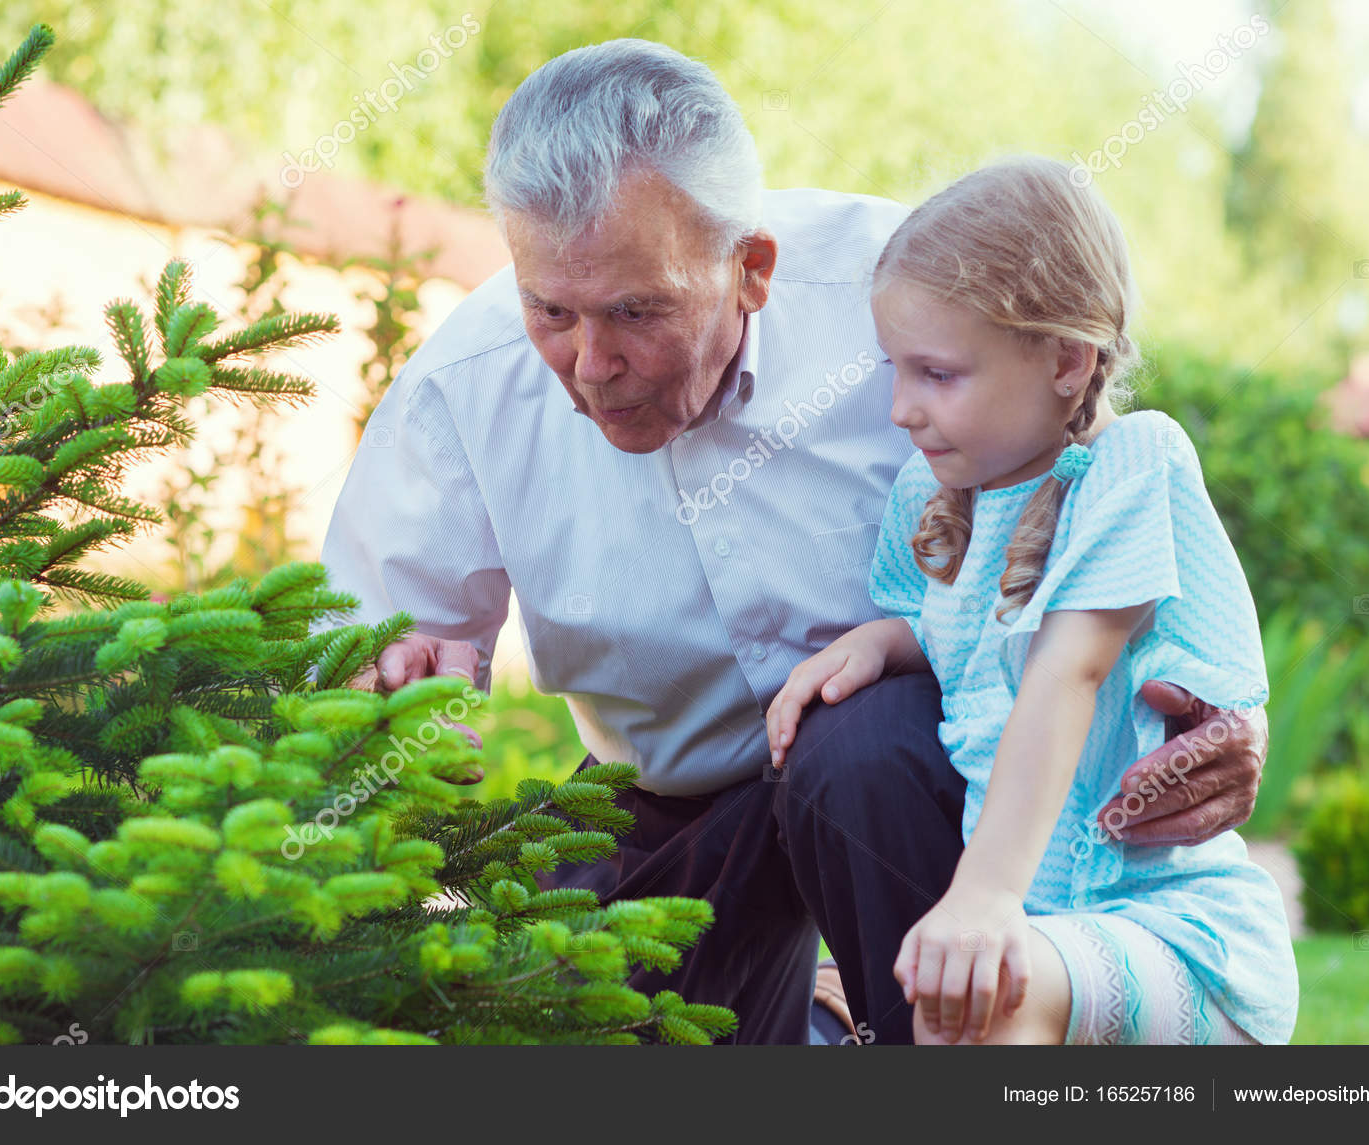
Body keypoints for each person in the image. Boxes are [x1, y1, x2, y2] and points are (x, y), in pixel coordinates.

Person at [317, 38, 1272, 1045]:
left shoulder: (921, 297)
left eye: (636, 311)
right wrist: (398, 707)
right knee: (572, 1026)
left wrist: (1225, 709)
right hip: (671, 798)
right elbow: (372, 656)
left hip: (916, 764)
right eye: (549, 309)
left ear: (752, 270)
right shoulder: (465, 384)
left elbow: (1096, 472)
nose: (590, 363)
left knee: (853, 751)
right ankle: (822, 1018)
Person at [767, 157, 1298, 1045]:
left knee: (986, 993)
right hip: (1044, 930)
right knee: (961, 1002)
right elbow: (961, 632)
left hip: (1171, 934)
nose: (901, 407)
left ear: (1065, 359)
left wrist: (982, 893)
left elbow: (1067, 670)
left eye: (936, 374)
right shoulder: (931, 500)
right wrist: (884, 641)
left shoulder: (1129, 468)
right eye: (895, 370)